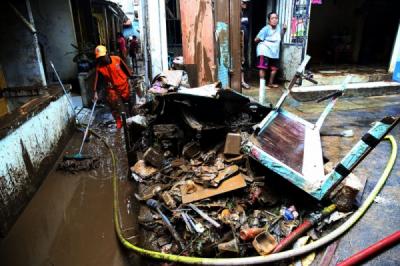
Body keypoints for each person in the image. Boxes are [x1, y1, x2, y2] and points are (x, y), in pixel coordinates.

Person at [93, 45, 132, 129]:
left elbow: (126, 69)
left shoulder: (117, 59)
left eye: (103, 56)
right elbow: (98, 81)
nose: (102, 59)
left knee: (128, 103)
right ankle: (118, 121)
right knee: (113, 102)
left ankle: (130, 119)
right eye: (100, 58)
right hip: (113, 88)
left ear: (107, 53)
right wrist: (96, 92)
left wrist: (130, 78)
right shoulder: (100, 68)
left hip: (124, 85)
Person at [254, 12, 286, 91]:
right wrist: (264, 42)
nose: (274, 20)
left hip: (274, 51)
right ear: (269, 21)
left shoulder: (278, 28)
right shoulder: (265, 29)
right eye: (272, 18)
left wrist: (284, 30)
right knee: (263, 67)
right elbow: (256, 39)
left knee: (274, 68)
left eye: (276, 18)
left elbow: (280, 38)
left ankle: (270, 83)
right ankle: (262, 85)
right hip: (264, 50)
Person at [240, 0, 251, 89]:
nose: (245, 4)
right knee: (240, 60)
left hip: (245, 41)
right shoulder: (237, 13)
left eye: (246, 3)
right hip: (239, 41)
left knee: (244, 60)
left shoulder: (245, 13)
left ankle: (243, 80)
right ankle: (241, 81)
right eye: (243, 2)